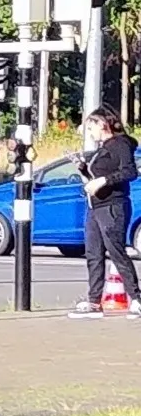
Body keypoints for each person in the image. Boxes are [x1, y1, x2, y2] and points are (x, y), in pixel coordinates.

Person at [75, 107, 136, 317]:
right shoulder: (102, 149)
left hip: (112, 206)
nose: (89, 132)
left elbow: (129, 171)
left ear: (102, 124)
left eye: (91, 127)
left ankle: (136, 298)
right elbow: (96, 175)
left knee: (116, 251)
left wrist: (103, 181)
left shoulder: (120, 144)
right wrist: (84, 169)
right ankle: (94, 301)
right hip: (95, 207)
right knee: (93, 253)